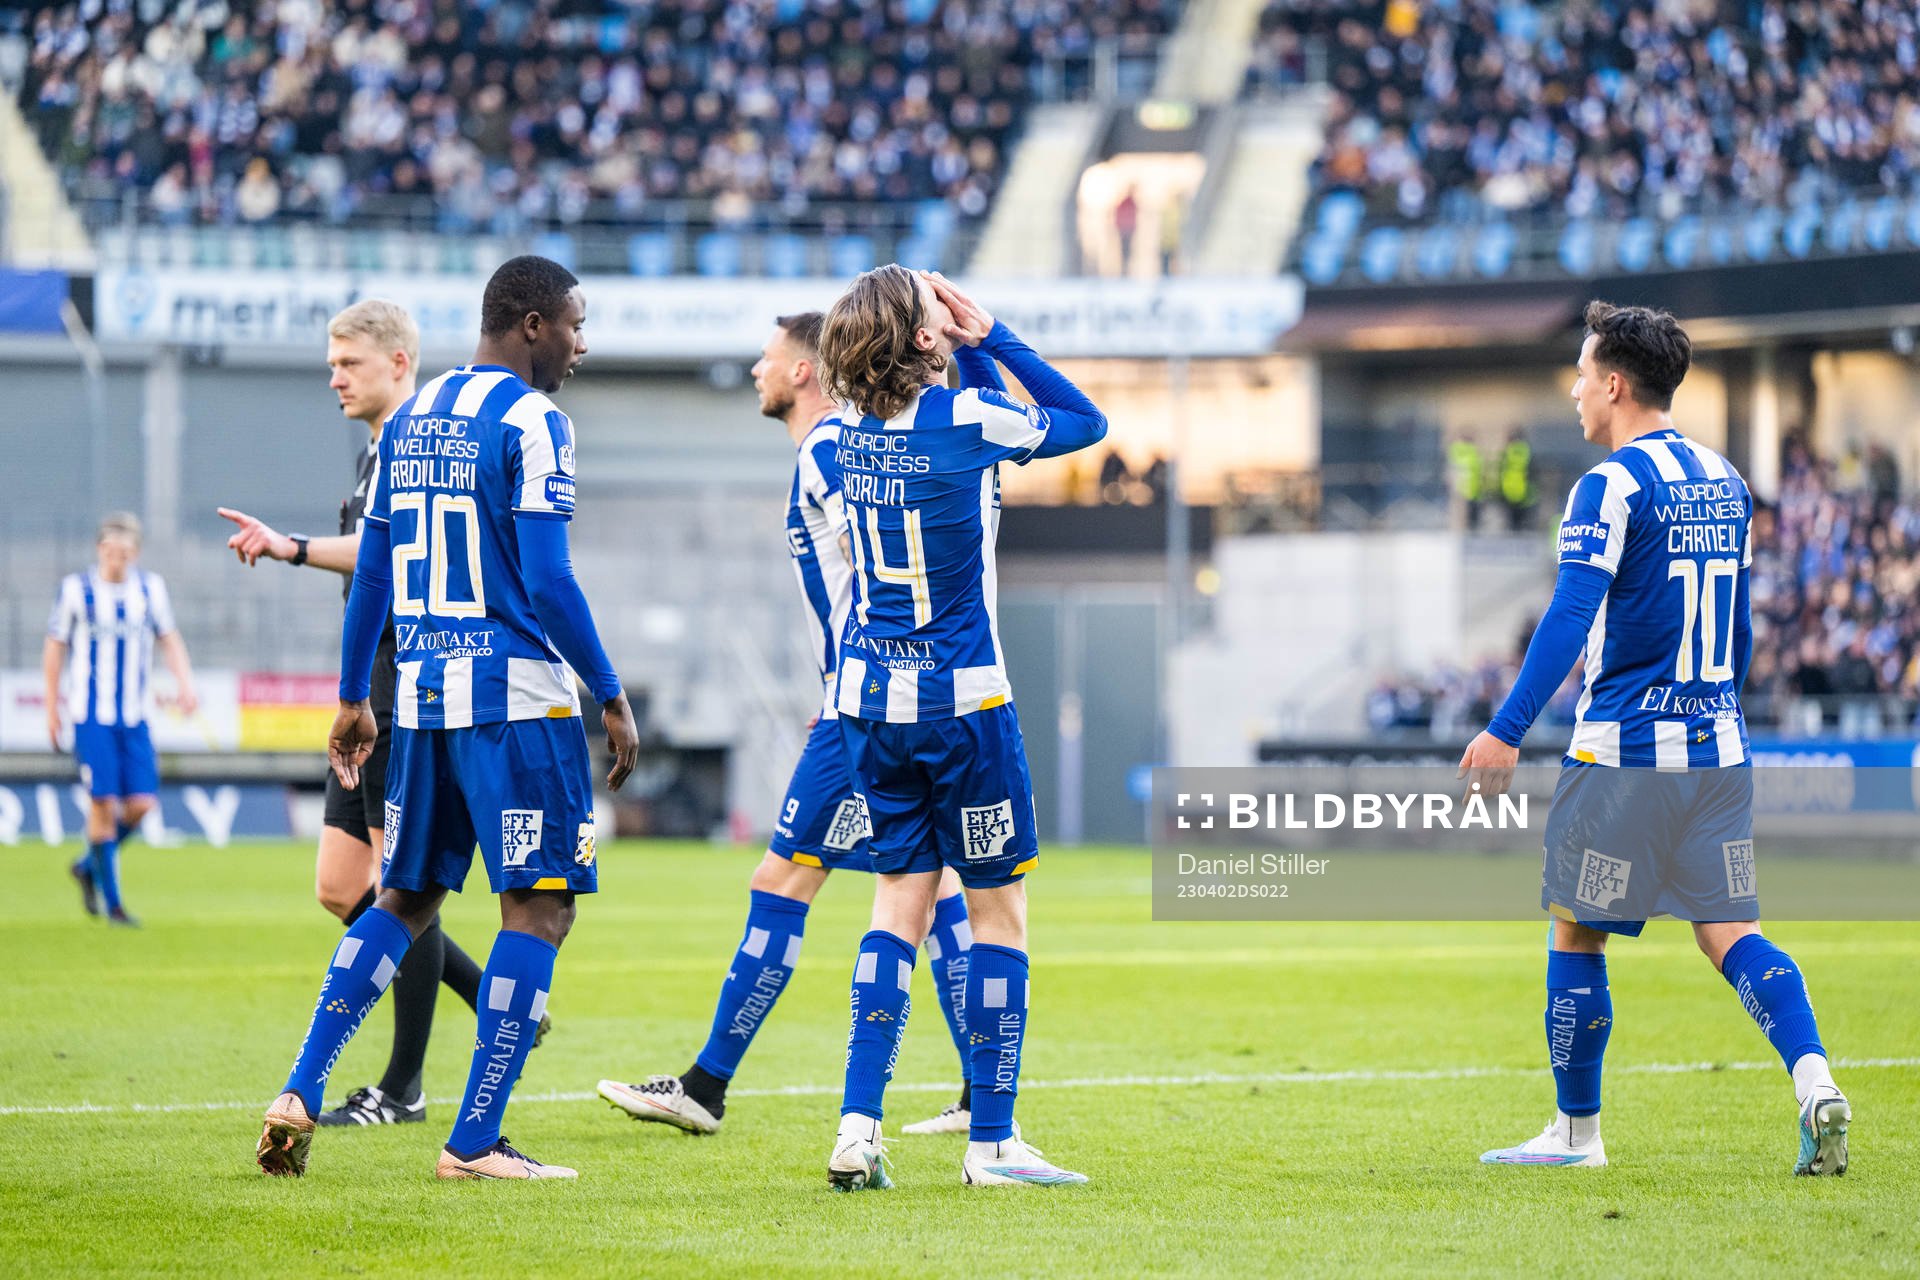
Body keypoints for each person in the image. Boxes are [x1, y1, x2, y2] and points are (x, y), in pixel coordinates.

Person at [256, 255, 640, 1181]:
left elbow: (377, 571)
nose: (583, 344)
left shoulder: (414, 418)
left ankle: (301, 1089)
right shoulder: (538, 422)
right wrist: (611, 694)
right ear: (534, 324)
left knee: (406, 897)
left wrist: (355, 696)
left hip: (422, 702)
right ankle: (473, 1142)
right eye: (576, 325)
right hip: (516, 709)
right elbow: (549, 578)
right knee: (539, 909)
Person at [1460, 301, 1850, 1176]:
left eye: (1580, 374)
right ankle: (1815, 1078)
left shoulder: (1608, 486)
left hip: (1624, 761)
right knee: (1731, 931)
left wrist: (1505, 729)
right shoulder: (1726, 479)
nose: (1573, 392)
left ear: (1612, 382)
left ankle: (1575, 1135)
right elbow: (1741, 629)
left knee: (1577, 931)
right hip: (1719, 755)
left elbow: (1569, 615)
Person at [596, 313, 978, 1137]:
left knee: (785, 883)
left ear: (804, 370)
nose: (758, 368)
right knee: (933, 886)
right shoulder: (832, 448)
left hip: (863, 712)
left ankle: (706, 1087)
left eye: (769, 357)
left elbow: (895, 559)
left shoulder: (836, 449)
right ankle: (982, 1093)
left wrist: (863, 678)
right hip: (873, 701)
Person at [814, 265, 1107, 1190]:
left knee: (896, 906)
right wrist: (994, 340)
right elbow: (1083, 423)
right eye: (939, 312)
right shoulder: (969, 421)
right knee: (997, 914)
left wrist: (957, 347)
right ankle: (993, 1143)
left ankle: (858, 1128)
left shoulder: (828, 444)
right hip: (963, 706)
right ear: (928, 340)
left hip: (869, 707)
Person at [217, 300, 503, 1129]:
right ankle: (490, 994)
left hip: (402, 685)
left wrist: (291, 545)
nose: (334, 377)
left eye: (349, 362)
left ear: (400, 362)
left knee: (395, 885)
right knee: (343, 886)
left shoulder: (417, 442)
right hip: (367, 685)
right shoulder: (377, 450)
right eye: (332, 363)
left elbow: (381, 552)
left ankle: (402, 1087)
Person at [44, 513, 198, 927]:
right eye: (111, 552)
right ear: (100, 549)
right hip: (90, 716)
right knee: (102, 804)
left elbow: (170, 638)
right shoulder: (76, 590)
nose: (117, 559)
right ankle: (113, 906)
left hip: (134, 716)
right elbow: (55, 646)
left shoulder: (150, 589)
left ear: (135, 553)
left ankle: (87, 866)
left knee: (142, 804)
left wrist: (185, 684)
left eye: (125, 553)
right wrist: (50, 707)